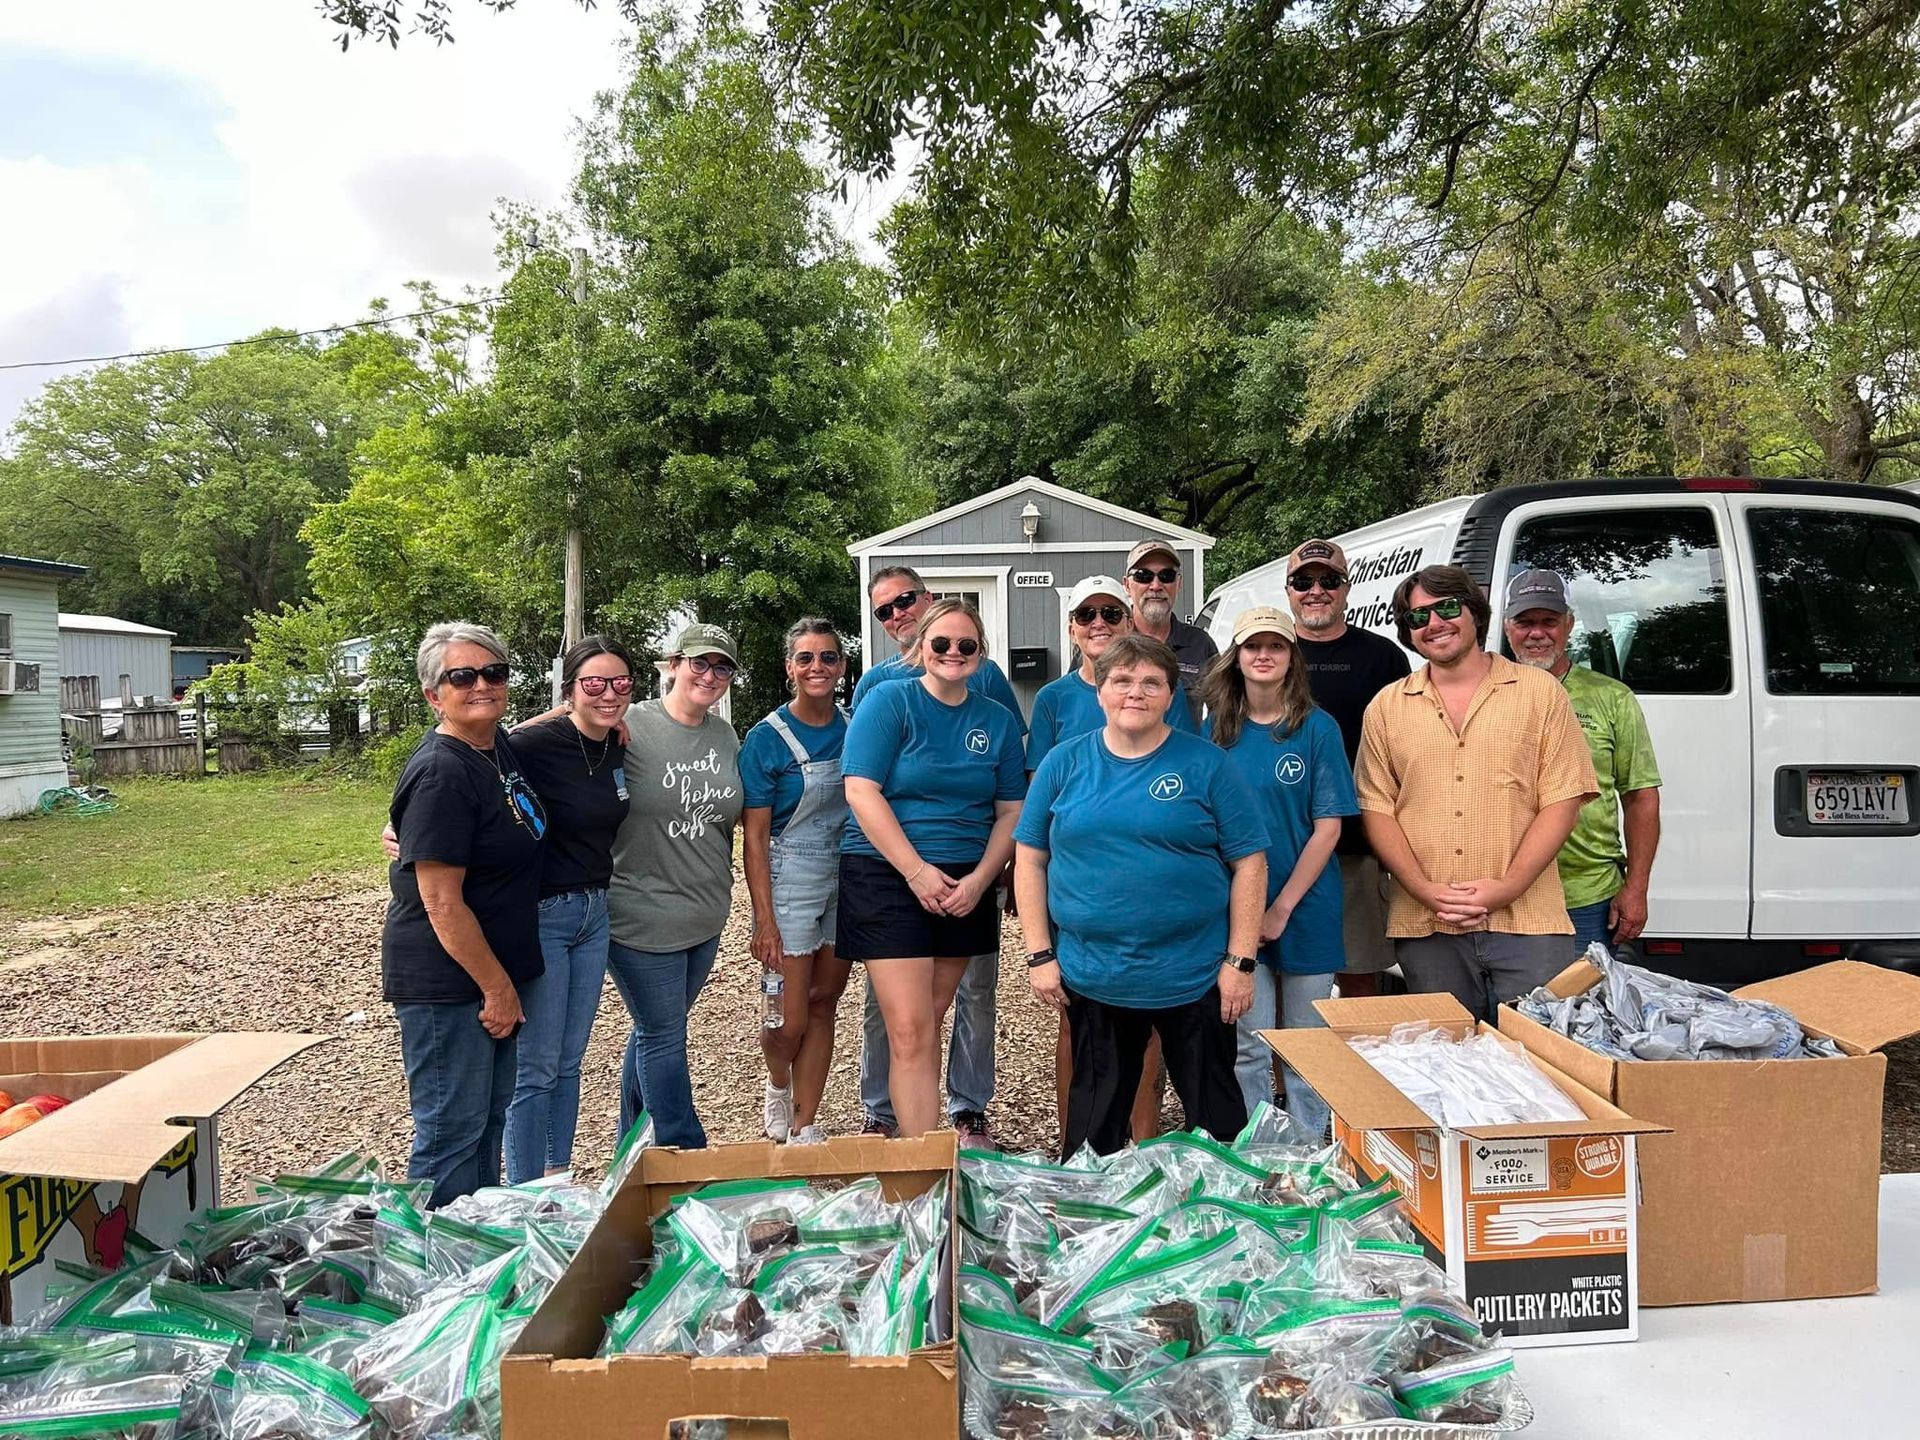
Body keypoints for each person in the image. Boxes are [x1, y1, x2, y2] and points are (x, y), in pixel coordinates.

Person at [1016, 634, 1268, 1156]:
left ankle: (1228, 1222)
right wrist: (1040, 953)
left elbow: (1250, 863)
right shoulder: (1064, 764)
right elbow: (1030, 859)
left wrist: (1240, 961)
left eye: (1151, 682)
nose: (1136, 692)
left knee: (1218, 1122)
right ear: (1101, 691)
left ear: (1172, 695)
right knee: (1094, 1129)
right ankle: (1093, 1223)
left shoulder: (1207, 765)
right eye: (1122, 680)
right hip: (1095, 973)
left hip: (1195, 974)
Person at [1355, 566, 1599, 1018]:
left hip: (1529, 921)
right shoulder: (1387, 707)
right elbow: (1377, 808)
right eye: (1417, 617)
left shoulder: (1539, 692)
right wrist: (1424, 889)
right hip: (1426, 924)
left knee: (1543, 1064)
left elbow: (1562, 799)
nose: (1434, 624)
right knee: (1449, 1064)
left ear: (1475, 613)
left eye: (1447, 607)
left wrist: (1507, 888)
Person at [838, 598, 1027, 1137]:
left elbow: (1012, 810)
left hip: (963, 881)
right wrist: (915, 870)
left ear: (981, 653)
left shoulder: (995, 719)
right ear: (920, 647)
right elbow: (860, 790)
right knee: (909, 1031)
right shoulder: (889, 701)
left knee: (927, 1025)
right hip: (886, 873)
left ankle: (923, 1159)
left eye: (966, 645)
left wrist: (981, 880)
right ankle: (919, 1170)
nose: (952, 653)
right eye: (940, 643)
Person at [1027, 575, 1196, 1146]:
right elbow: (1038, 804)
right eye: (1085, 614)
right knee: (1077, 1022)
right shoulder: (1053, 700)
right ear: (1071, 628)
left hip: (1152, 890)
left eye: (1109, 612)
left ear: (1128, 621)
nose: (1098, 622)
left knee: (1145, 1028)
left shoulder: (1155, 686)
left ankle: (1143, 1141)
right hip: (1076, 877)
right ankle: (1077, 1143)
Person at [382, 621, 546, 1207]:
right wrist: (497, 988)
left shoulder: (492, 745)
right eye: (463, 677)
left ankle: (474, 1244)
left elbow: (520, 724)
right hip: (450, 982)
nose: (482, 685)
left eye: (494, 673)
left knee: (487, 1122)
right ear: (433, 694)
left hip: (490, 974)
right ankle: (428, 1260)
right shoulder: (442, 773)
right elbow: (440, 902)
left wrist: (599, 714)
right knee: (450, 1131)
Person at [1204, 607, 1355, 1140]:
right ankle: (1260, 1151)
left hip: (1305, 906)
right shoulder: (1217, 730)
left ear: (1292, 658)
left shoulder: (1316, 728)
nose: (1263, 656)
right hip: (1238, 914)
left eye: (1276, 646)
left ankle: (1311, 1149)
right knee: (1250, 1042)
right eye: (1253, 647)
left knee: (1307, 1044)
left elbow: (1329, 828)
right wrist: (1249, 912)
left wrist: (1282, 906)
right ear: (1237, 658)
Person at [498, 635, 634, 1183]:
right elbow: (467, 748)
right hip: (543, 915)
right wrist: (402, 824)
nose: (608, 694)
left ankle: (558, 1177)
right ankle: (523, 1189)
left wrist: (598, 714)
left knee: (571, 1059)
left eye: (619, 683)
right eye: (593, 684)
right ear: (569, 689)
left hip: (594, 913)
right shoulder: (536, 745)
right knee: (535, 1066)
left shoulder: (616, 743)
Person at [606, 623, 744, 1149]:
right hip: (641, 915)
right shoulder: (629, 722)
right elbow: (531, 740)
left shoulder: (724, 735)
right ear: (672, 665)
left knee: (651, 1032)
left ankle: (632, 1148)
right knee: (664, 1038)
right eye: (699, 663)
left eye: (722, 666)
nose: (710, 675)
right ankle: (687, 1154)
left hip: (705, 915)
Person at [1502, 569, 1663, 957]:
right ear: (1507, 627)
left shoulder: (1611, 698)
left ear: (1569, 625)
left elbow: (1641, 797)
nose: (1536, 633)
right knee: (1507, 1015)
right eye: (1525, 622)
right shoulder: (1485, 691)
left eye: (1549, 622)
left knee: (1582, 1014)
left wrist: (1636, 888)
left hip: (1586, 894)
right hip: (1503, 894)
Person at [1283, 538, 1411, 1000]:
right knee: (1283, 980)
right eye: (1303, 581)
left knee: (1357, 973)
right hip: (1280, 844)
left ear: (1346, 588)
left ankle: (1355, 1071)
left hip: (1357, 843)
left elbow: (1407, 748)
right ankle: (1290, 1075)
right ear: (1288, 590)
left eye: (1328, 580)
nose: (1315, 591)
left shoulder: (1383, 658)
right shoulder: (1268, 652)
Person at [741, 618, 852, 1146]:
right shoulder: (767, 739)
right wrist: (763, 918)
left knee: (824, 1000)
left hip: (847, 869)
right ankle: (778, 1082)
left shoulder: (856, 727)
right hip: (792, 873)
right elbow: (756, 838)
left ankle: (805, 1124)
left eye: (827, 658)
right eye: (805, 658)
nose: (817, 668)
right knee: (787, 1020)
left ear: (842, 667)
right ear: (790, 668)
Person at [1123, 538, 1217, 728]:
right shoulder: (1110, 641)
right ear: (1126, 585)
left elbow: (1224, 711)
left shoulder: (1200, 644)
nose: (1156, 585)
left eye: (1166, 575)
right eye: (1143, 576)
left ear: (1179, 583)